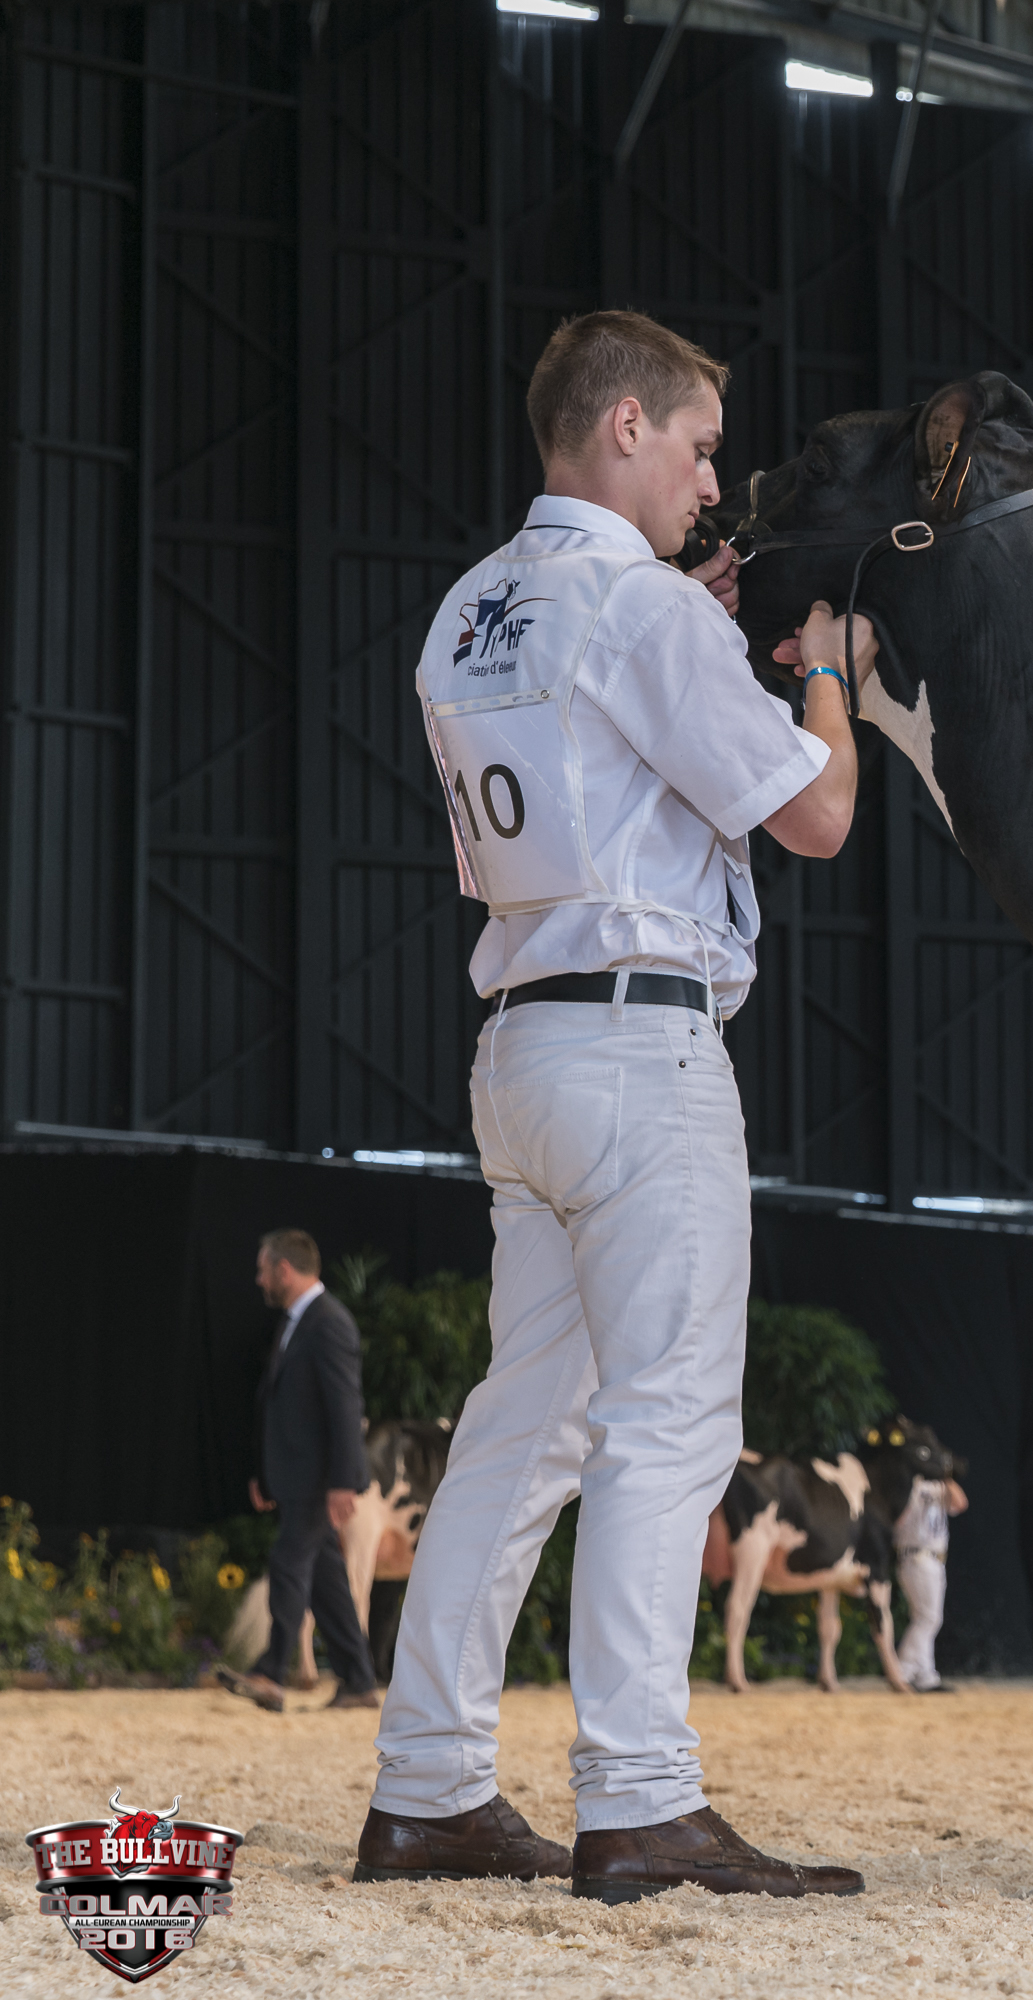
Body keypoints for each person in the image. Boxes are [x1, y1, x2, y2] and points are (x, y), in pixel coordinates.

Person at [366, 312, 870, 1902]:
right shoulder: (644, 608)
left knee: (521, 1430)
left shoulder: (468, 611)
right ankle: (641, 1798)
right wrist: (826, 676)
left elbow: (588, 752)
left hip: (522, 1042)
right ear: (628, 424)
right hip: (642, 1054)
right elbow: (818, 814)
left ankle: (428, 1789)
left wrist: (689, 633)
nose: (714, 480)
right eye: (702, 446)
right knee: (668, 1423)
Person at [221, 1229, 378, 1716]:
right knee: (326, 1583)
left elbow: (344, 1406)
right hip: (296, 1477)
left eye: (263, 1269)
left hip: (317, 1480)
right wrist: (265, 1475)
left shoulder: (328, 1323)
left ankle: (270, 1673)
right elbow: (283, 1406)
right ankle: (359, 1681)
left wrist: (344, 1481)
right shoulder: (300, 1321)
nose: (259, 1279)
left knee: (289, 1563)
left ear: (284, 1270)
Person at [893, 1456, 970, 1694]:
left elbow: (960, 1503)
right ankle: (902, 1671)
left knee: (925, 1617)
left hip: (935, 1559)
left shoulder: (938, 1486)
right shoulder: (910, 1485)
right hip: (917, 1556)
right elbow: (897, 1519)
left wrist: (945, 1477)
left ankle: (925, 1675)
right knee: (929, 1618)